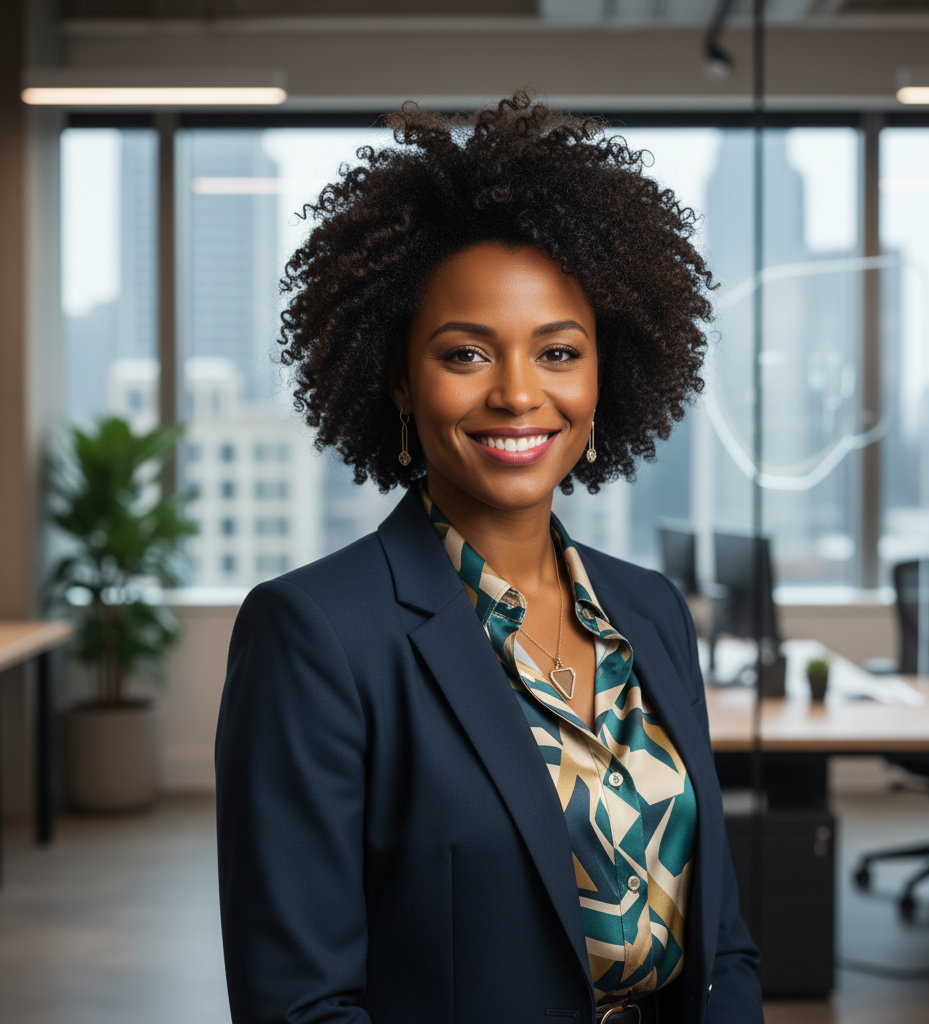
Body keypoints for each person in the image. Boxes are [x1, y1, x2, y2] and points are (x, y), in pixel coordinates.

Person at [216, 93, 762, 1024]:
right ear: (400, 380)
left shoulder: (652, 612)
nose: (517, 394)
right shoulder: (316, 636)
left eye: (559, 352)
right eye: (467, 354)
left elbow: (724, 945)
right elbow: (299, 1006)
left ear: (605, 374)